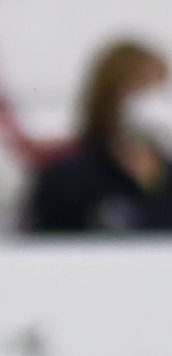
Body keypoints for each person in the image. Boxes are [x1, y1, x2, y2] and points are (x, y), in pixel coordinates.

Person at [20, 40, 172, 235]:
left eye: (158, 88)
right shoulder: (68, 178)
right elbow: (35, 250)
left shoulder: (165, 175)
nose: (153, 102)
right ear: (111, 95)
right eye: (141, 88)